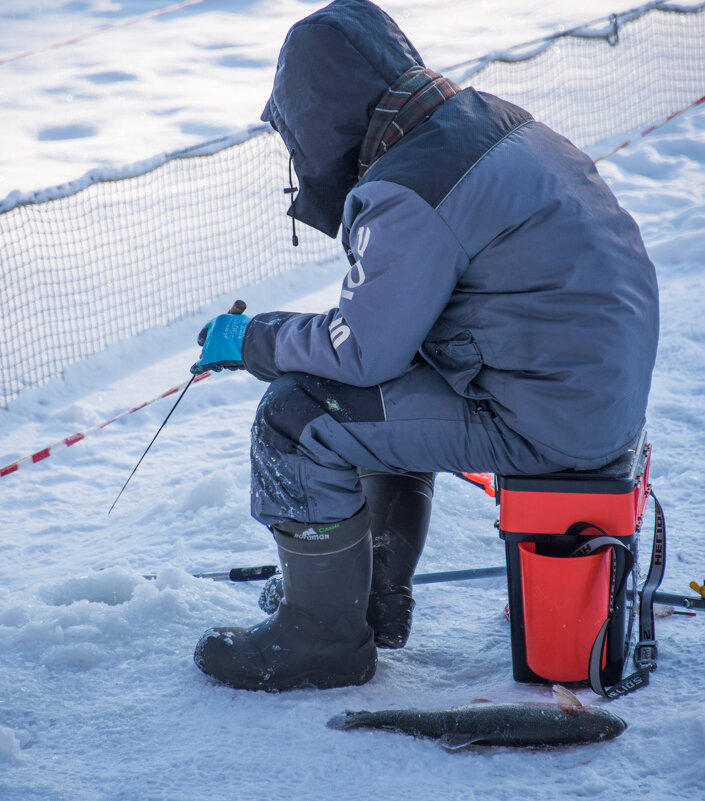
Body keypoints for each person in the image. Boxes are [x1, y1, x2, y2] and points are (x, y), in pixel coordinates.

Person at [191, 0, 659, 692]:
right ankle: (369, 595)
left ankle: (322, 638)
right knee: (375, 396)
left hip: (546, 415)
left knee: (298, 416)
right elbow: (387, 330)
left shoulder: (410, 185)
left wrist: (255, 340)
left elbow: (362, 353)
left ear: (322, 120)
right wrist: (284, 333)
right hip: (587, 388)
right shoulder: (481, 123)